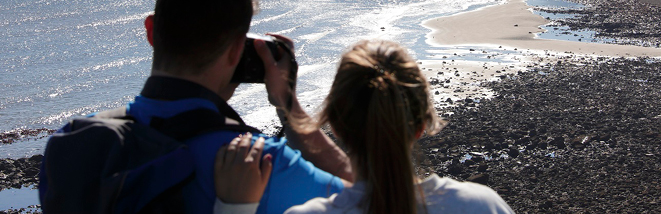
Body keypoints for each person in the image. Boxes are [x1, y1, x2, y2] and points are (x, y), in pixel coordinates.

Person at [43, 0, 352, 214]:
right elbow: (365, 198)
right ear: (235, 50)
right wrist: (288, 105)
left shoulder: (71, 145)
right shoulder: (256, 163)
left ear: (151, 31)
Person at [214, 39, 515, 214]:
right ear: (422, 125)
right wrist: (288, 107)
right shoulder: (480, 206)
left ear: (336, 124)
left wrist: (233, 208)